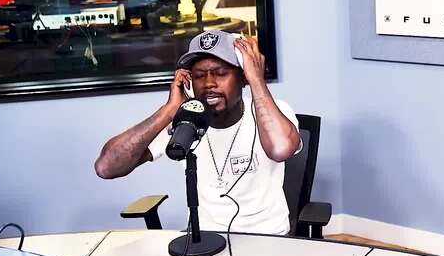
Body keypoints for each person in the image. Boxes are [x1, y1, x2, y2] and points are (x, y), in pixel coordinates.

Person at [94, 30, 301, 235]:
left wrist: (257, 80)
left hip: (268, 238)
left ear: (243, 76)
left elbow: (280, 149)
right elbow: (106, 167)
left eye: (221, 73)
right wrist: (169, 110)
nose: (209, 83)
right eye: (199, 76)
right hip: (206, 240)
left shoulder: (275, 112)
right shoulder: (184, 122)